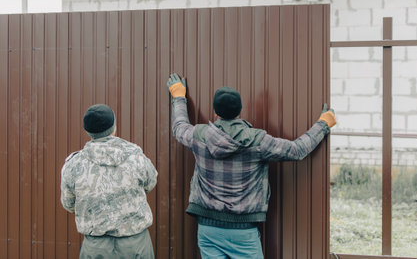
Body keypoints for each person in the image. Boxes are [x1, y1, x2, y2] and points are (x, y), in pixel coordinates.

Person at [167, 73, 336, 259]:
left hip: (208, 230)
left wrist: (178, 95)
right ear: (240, 111)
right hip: (243, 233)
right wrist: (323, 124)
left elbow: (179, 126)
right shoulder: (258, 141)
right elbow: (297, 150)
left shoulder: (198, 136)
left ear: (215, 112)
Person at [60, 104, 158, 259]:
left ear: (87, 131)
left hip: (96, 247)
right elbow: (150, 182)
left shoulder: (74, 164)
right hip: (135, 245)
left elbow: (68, 203)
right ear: (114, 127)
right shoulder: (135, 157)